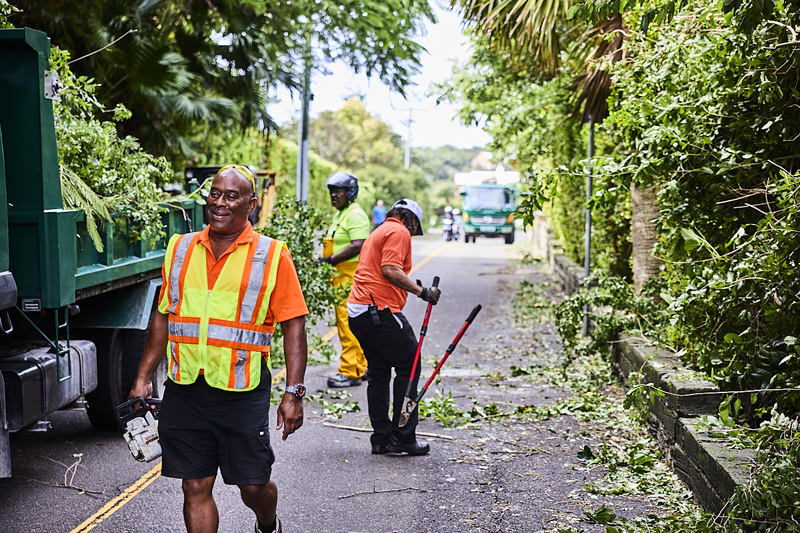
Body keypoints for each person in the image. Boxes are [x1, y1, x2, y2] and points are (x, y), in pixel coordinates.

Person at [128, 165, 309, 533]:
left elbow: (293, 323)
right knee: (194, 484)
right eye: (215, 193)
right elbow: (164, 317)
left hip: (241, 389)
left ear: (251, 204)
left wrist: (294, 392)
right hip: (185, 387)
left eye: (231, 196)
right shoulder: (180, 248)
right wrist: (143, 377)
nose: (219, 203)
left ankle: (267, 522)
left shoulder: (272, 255)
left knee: (253, 485)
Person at [347, 199, 441, 456]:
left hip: (359, 311)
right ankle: (403, 436)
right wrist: (422, 291)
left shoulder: (378, 230)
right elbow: (390, 269)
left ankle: (381, 438)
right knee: (410, 366)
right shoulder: (398, 231)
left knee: (378, 372)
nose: (412, 232)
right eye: (414, 227)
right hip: (379, 310)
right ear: (408, 217)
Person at [317, 172, 371, 388]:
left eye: (338, 190)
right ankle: (362, 365)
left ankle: (350, 371)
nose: (333, 195)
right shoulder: (342, 214)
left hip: (350, 277)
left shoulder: (355, 215)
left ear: (350, 192)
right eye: (331, 191)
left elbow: (358, 245)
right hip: (339, 277)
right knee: (351, 323)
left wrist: (330, 259)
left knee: (348, 325)